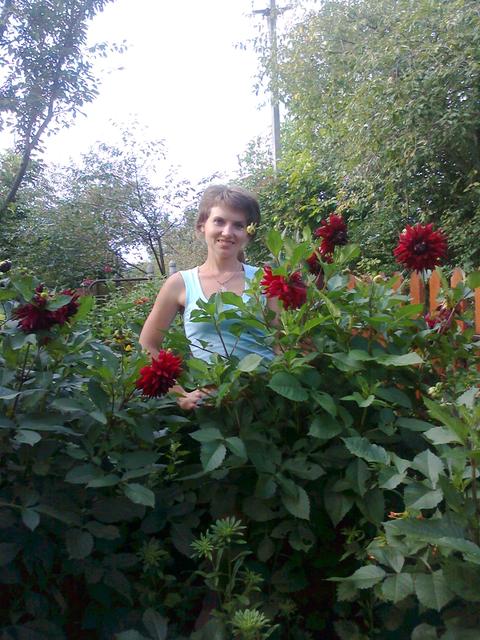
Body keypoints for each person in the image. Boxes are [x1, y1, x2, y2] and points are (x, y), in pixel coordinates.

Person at [139, 185, 277, 410]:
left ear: (248, 233)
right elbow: (147, 344)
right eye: (219, 221)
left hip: (267, 404)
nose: (227, 232)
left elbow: (281, 342)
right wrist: (180, 396)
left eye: (238, 225)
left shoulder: (265, 280)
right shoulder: (179, 284)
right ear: (202, 225)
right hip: (212, 408)